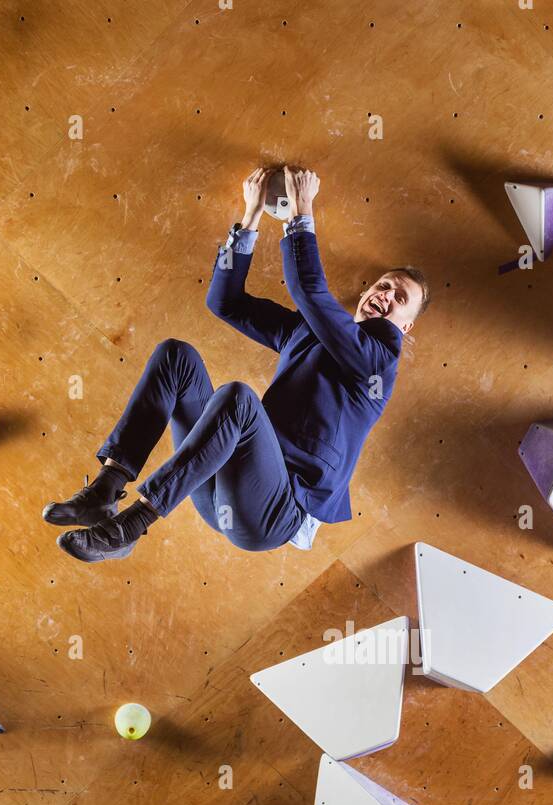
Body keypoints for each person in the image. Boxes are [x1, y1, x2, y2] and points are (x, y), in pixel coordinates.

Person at [43, 165, 429, 561]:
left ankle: (131, 525)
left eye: (400, 298)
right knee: (177, 357)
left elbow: (310, 292)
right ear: (367, 290)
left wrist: (302, 211)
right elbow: (225, 302)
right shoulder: (308, 334)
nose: (386, 294)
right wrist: (251, 217)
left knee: (239, 400)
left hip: (272, 513)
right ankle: (107, 489)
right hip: (218, 487)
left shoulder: (381, 361)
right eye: (384, 285)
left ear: (406, 325)